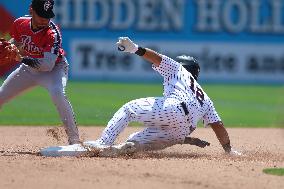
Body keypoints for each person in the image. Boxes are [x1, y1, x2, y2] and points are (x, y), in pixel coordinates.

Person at [40, 37, 241, 157]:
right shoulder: (204, 97)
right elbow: (218, 126)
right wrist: (228, 150)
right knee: (132, 143)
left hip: (175, 108)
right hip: (181, 130)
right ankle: (126, 148)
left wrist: (135, 49)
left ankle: (103, 142)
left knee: (128, 110)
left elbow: (157, 58)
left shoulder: (178, 69)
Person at [0, 0, 80, 144]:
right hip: (28, 70)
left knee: (58, 93)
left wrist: (19, 58)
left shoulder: (53, 33)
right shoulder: (20, 23)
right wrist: (11, 47)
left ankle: (74, 141)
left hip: (54, 70)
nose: (45, 19)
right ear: (31, 11)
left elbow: (47, 65)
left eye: (47, 15)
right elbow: (17, 41)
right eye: (41, 15)